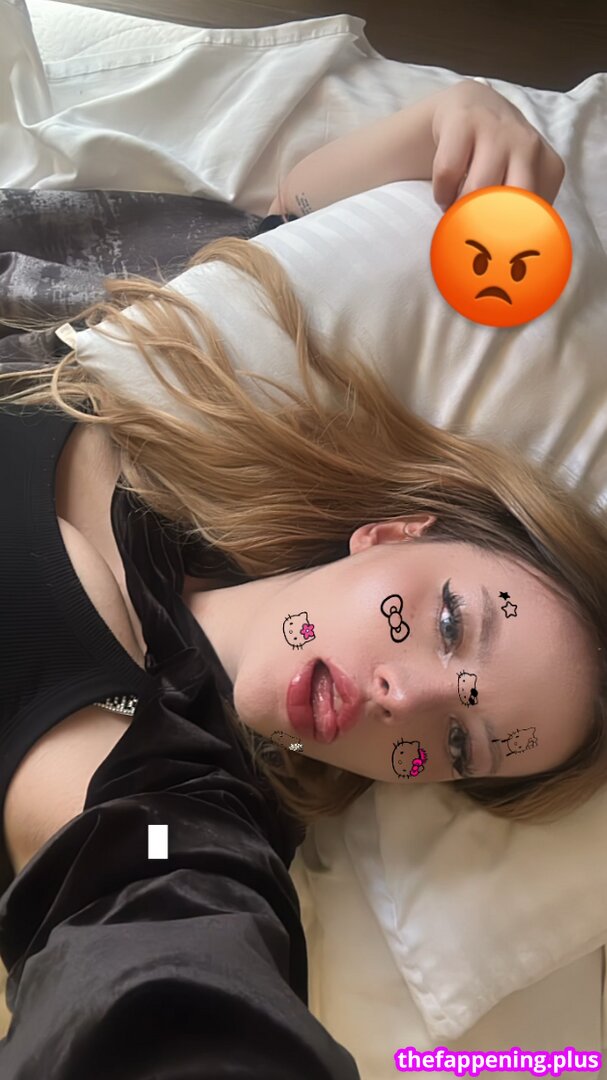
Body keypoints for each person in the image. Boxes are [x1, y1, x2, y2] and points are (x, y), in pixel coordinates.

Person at [0, 77, 604, 1076]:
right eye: (448, 624)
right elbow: (294, 211)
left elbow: (160, 909)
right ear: (390, 535)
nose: (407, 699)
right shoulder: (206, 410)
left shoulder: (175, 802)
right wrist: (450, 119)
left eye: (459, 743)